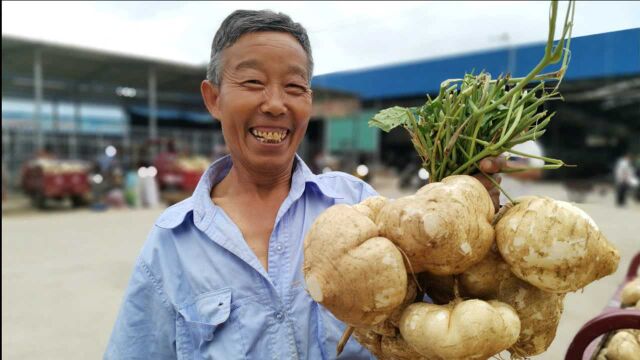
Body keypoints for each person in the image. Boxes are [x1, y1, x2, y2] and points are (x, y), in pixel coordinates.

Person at [105, 10, 504, 359]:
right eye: (253, 82)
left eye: (294, 87)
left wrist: (469, 221)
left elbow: (437, 310)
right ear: (213, 99)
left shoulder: (359, 205)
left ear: (309, 102)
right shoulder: (173, 243)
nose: (276, 104)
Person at [499, 140, 545, 205]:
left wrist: (504, 166)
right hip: (497, 203)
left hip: (521, 203)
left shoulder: (532, 146)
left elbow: (536, 172)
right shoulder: (497, 142)